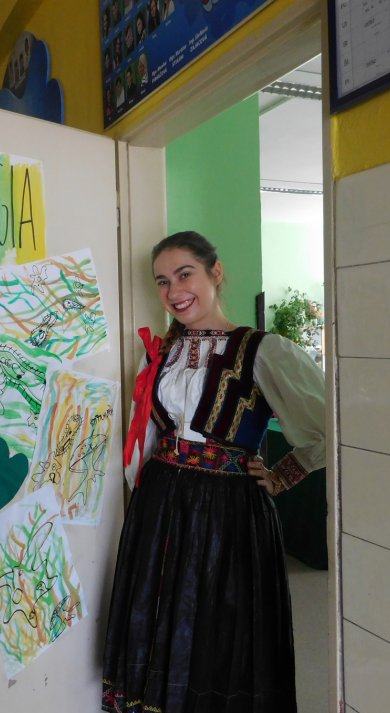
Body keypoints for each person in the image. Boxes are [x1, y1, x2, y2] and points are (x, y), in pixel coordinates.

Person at [102, 231, 325, 713]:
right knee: (162, 611)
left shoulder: (263, 349)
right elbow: (146, 434)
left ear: (215, 272)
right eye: (163, 281)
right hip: (162, 503)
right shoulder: (161, 351)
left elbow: (329, 426)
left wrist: (283, 474)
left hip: (228, 509)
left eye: (185, 274)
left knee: (217, 622)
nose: (174, 290)